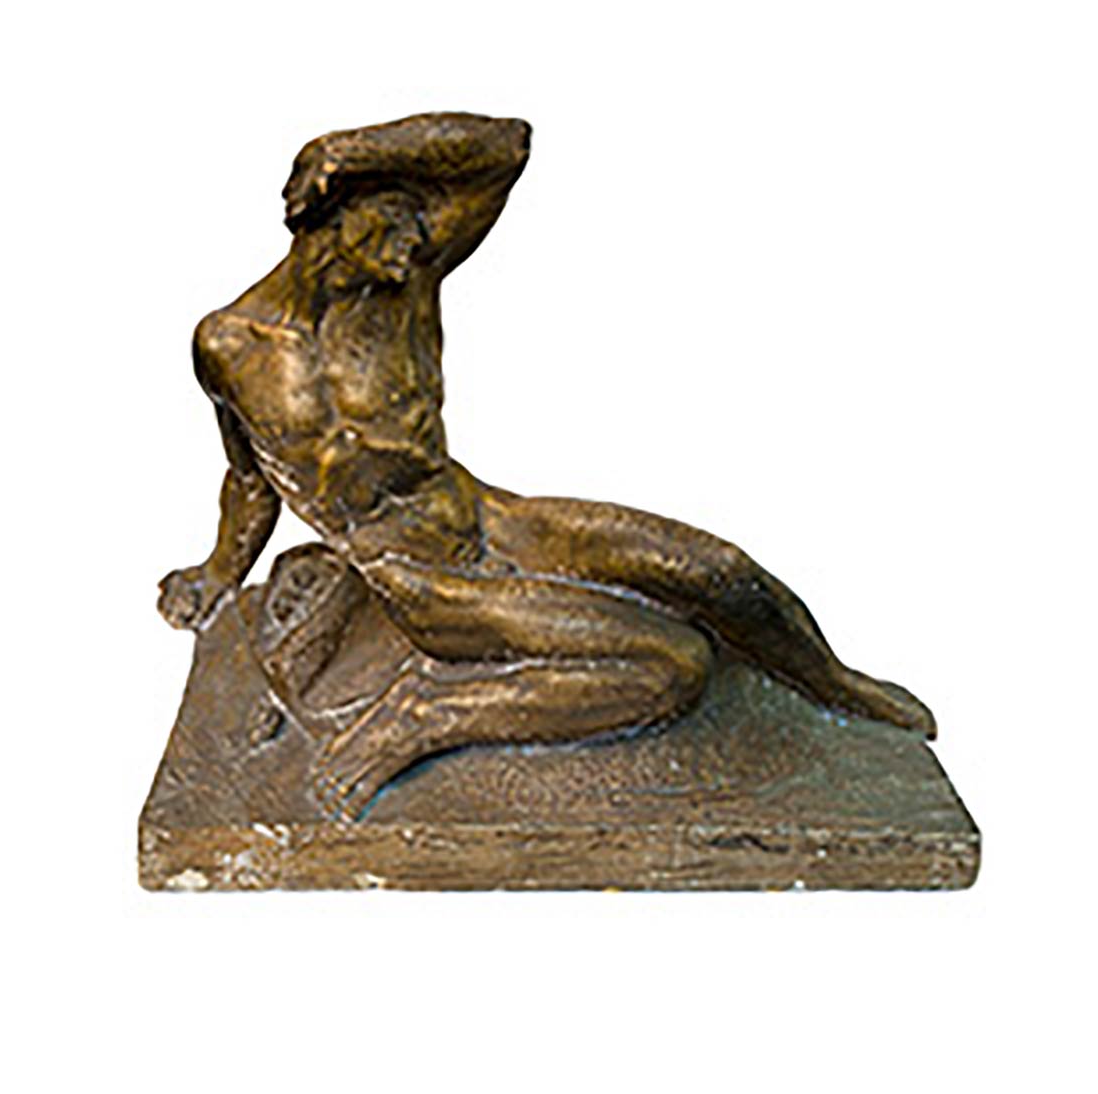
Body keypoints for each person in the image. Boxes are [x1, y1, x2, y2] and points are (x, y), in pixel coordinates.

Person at [158, 112, 934, 819]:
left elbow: (506, 148)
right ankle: (422, 718)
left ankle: (833, 686)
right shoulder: (229, 345)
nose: (412, 245)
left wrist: (352, 150)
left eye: (418, 230)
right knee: (670, 668)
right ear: (335, 218)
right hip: (418, 579)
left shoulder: (404, 286)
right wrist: (218, 573)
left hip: (489, 515)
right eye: (394, 223)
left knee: (715, 570)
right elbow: (250, 477)